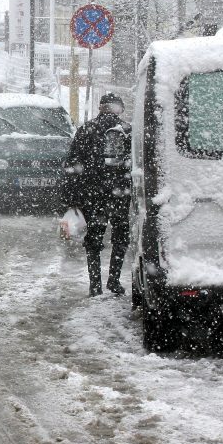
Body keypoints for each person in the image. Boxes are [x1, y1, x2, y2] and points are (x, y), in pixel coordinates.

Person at [61, 93, 132, 297]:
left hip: (92, 193)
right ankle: (114, 280)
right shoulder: (127, 131)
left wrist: (71, 198)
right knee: (120, 235)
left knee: (94, 238)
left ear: (100, 108)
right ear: (120, 109)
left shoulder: (86, 130)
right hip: (119, 193)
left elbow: (72, 165)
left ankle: (95, 285)